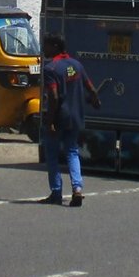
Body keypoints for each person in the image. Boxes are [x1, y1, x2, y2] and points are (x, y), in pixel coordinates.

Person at [41, 33, 100, 207]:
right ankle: (77, 189)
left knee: (51, 155)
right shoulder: (77, 65)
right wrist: (95, 100)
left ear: (55, 47)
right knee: (72, 151)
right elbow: (91, 88)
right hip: (76, 116)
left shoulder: (51, 68)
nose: (44, 49)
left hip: (59, 116)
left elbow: (53, 97)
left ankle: (56, 192)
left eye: (46, 45)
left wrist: (50, 120)